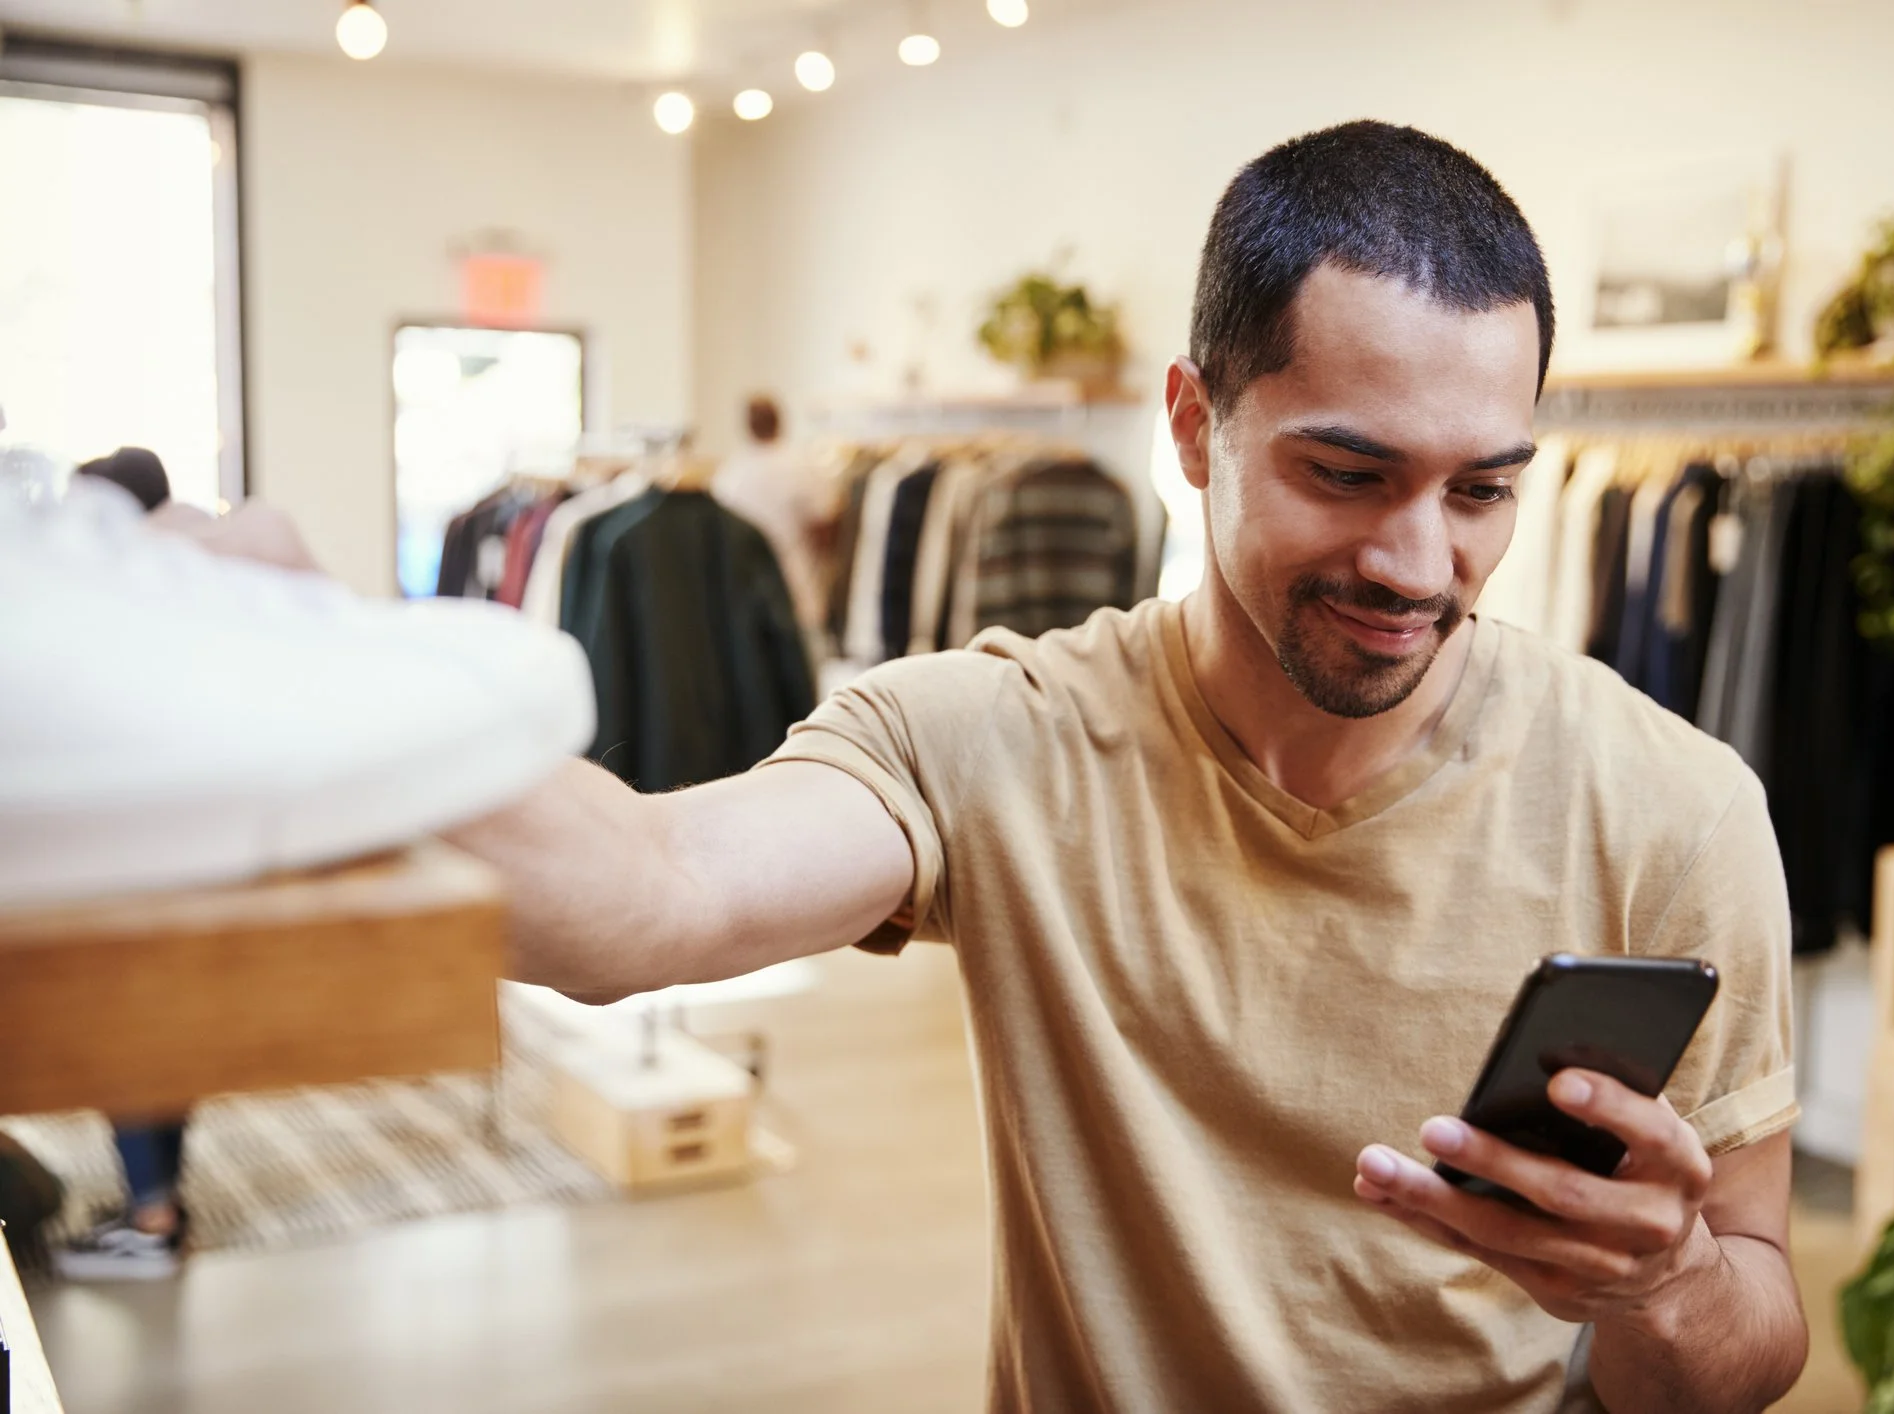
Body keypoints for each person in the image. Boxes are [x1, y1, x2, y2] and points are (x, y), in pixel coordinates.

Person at [267, 123, 1807, 1409]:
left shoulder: (1671, 806)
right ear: (1194, 426)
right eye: (1347, 473)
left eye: (1481, 488)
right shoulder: (1003, 736)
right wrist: (258, 653)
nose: (1419, 560)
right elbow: (646, 901)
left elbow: (1752, 1345)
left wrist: (1664, 1281)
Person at [56, 447, 194, 1281]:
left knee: (125, 1028)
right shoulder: (186, 585)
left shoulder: (106, 598)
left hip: (126, 846)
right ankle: (161, 1201)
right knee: (163, 1027)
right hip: (182, 839)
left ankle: (151, 1221)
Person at [711, 393, 840, 645]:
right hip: (797, 587)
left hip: (751, 592)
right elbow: (826, 531)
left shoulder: (730, 474)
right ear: (780, 421)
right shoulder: (802, 467)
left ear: (747, 425)